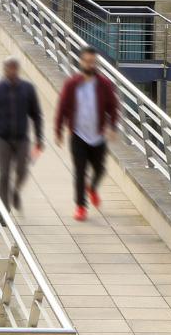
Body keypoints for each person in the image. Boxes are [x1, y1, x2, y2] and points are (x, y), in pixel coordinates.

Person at [54, 46, 119, 221]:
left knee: (100, 169)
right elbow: (62, 108)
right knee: (80, 172)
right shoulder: (72, 84)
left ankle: (92, 188)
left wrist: (112, 127)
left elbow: (113, 107)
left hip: (97, 136)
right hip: (78, 135)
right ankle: (81, 206)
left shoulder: (104, 84)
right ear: (81, 62)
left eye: (93, 62)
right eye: (87, 61)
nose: (90, 65)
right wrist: (58, 131)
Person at [0, 56, 43, 211]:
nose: (11, 71)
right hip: (2, 139)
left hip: (22, 138)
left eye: (14, 68)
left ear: (18, 69)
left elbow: (36, 114)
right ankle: (4, 209)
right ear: (4, 70)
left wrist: (39, 137)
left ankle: (16, 190)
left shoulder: (27, 89)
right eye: (8, 68)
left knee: (22, 171)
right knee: (4, 174)